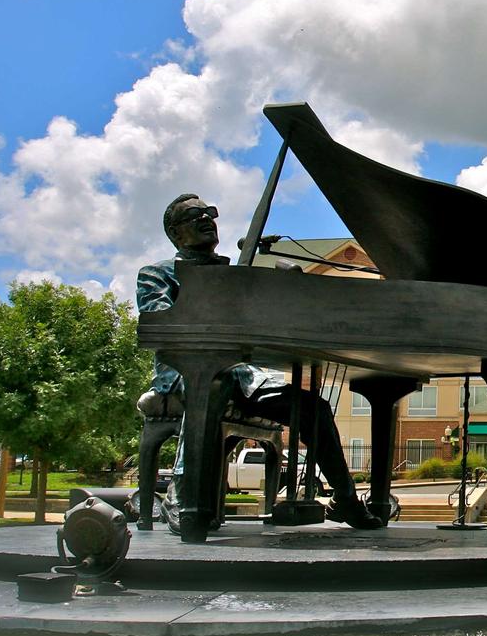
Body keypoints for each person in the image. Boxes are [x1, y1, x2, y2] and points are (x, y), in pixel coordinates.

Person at [137, 193, 383, 530]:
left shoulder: (236, 276)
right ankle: (182, 499)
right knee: (211, 383)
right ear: (176, 233)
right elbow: (158, 322)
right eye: (196, 215)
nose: (207, 219)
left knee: (314, 407)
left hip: (244, 376)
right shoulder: (157, 273)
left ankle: (346, 500)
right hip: (185, 372)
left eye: (210, 213)